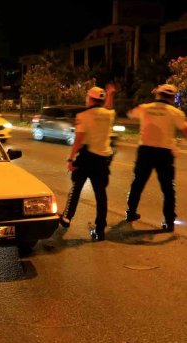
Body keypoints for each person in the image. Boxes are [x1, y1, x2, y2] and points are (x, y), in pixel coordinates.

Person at [125, 84, 187, 232]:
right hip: (164, 153)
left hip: (145, 151)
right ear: (172, 97)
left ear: (157, 94)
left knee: (138, 183)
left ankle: (130, 212)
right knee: (167, 188)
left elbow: (130, 114)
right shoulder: (175, 112)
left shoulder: (145, 108)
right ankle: (169, 221)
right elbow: (185, 129)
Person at [58, 85, 116, 241]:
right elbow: (108, 107)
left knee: (76, 188)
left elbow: (79, 139)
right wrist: (110, 94)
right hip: (102, 160)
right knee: (101, 195)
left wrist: (71, 158)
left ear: (90, 99)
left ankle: (67, 218)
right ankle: (100, 230)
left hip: (86, 158)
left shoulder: (82, 116)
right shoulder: (109, 114)